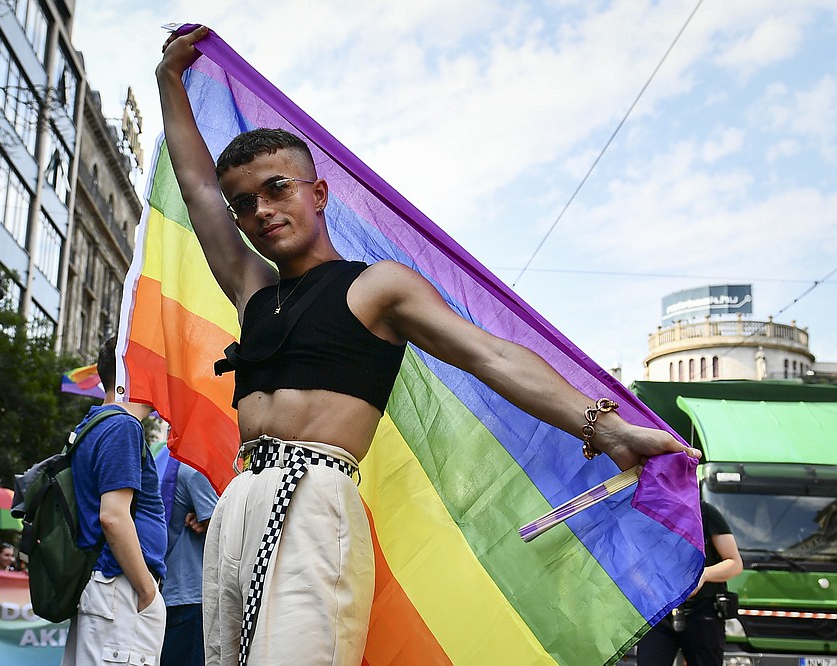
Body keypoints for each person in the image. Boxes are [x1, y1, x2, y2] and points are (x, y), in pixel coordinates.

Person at [157, 27, 702, 666]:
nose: (261, 210)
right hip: (241, 499)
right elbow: (197, 190)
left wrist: (606, 429)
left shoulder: (376, 287)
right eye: (245, 203)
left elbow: (488, 354)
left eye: (278, 188)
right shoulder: (254, 291)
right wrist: (171, 81)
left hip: (313, 500)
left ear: (318, 192)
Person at [61, 337, 167, 666]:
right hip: (120, 588)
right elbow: (113, 517)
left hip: (109, 587)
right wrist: (146, 590)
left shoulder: (96, 423)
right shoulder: (122, 426)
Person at [636, 501, 743, 666]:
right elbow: (633, 563)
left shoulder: (706, 512)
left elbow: (735, 563)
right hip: (658, 611)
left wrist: (704, 575)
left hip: (702, 612)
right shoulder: (648, 509)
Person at [160, 457, 220, 666]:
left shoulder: (164, 461)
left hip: (167, 593)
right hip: (191, 597)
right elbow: (226, 532)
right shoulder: (195, 470)